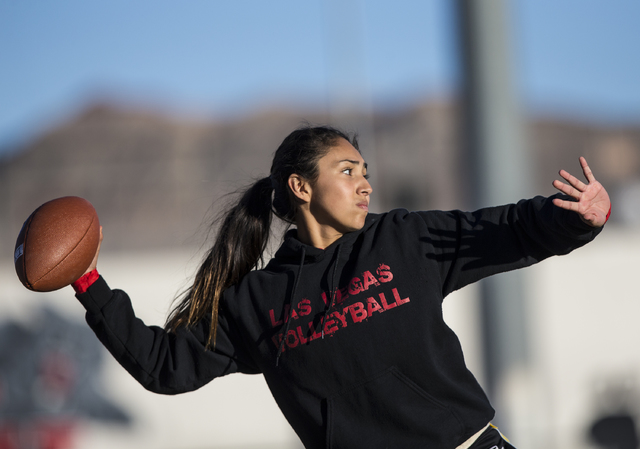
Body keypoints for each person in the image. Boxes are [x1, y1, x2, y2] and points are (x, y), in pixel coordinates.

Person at [72, 125, 611, 449]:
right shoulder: (256, 303)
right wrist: (88, 282)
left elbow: (505, 229)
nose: (365, 183)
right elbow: (164, 365)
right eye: (348, 170)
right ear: (302, 187)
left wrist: (573, 218)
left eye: (365, 170)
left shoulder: (403, 239)